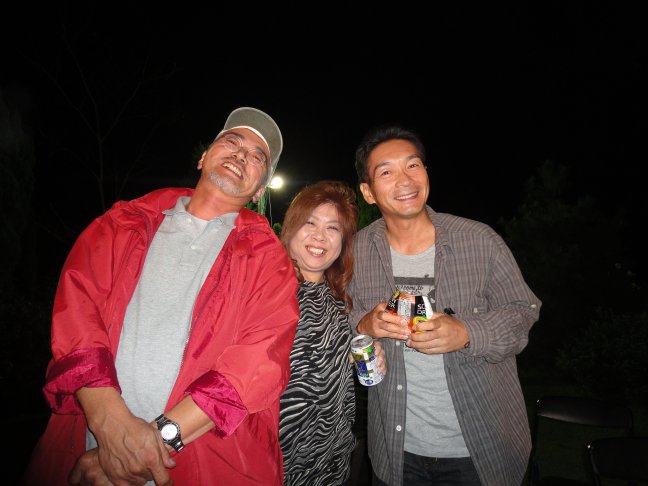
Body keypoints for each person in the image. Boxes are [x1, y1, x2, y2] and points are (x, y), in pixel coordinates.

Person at [22, 107, 300, 486]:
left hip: (196, 463)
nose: (241, 154)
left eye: (257, 157)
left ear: (260, 190)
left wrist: (148, 448)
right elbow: (77, 314)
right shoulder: (120, 224)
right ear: (203, 157)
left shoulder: (270, 261)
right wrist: (108, 422)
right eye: (232, 141)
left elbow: (258, 362)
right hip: (86, 445)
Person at [347, 125, 541, 486]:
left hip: (482, 447)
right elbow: (336, 318)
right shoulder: (355, 252)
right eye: (386, 172)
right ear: (368, 192)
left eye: (413, 165)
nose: (405, 180)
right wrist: (363, 324)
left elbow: (523, 310)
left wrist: (468, 332)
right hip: (396, 449)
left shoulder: (479, 240)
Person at [278, 180, 386, 486]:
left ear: (342, 243)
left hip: (332, 463)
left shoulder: (339, 299)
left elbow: (323, 362)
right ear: (291, 228)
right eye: (310, 223)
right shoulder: (267, 290)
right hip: (277, 465)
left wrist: (359, 355)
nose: (319, 236)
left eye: (333, 228)